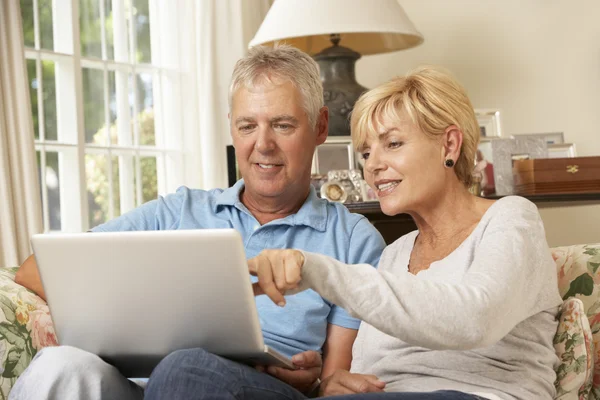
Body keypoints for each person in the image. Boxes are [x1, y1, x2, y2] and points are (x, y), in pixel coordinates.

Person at [10, 45, 386, 400]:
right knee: (62, 365)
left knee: (185, 367)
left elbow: (338, 379)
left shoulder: (354, 240)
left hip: (267, 391)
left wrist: (316, 381)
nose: (263, 144)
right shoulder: (177, 212)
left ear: (320, 126)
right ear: (231, 128)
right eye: (247, 126)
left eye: (283, 125)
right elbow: (33, 271)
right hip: (146, 383)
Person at [242, 67, 563, 400]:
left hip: (479, 395)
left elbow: (476, 320)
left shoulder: (511, 218)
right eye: (366, 153)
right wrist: (334, 384)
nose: (372, 165)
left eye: (392, 144)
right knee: (198, 372)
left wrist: (316, 270)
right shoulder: (394, 253)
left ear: (449, 145)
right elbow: (369, 367)